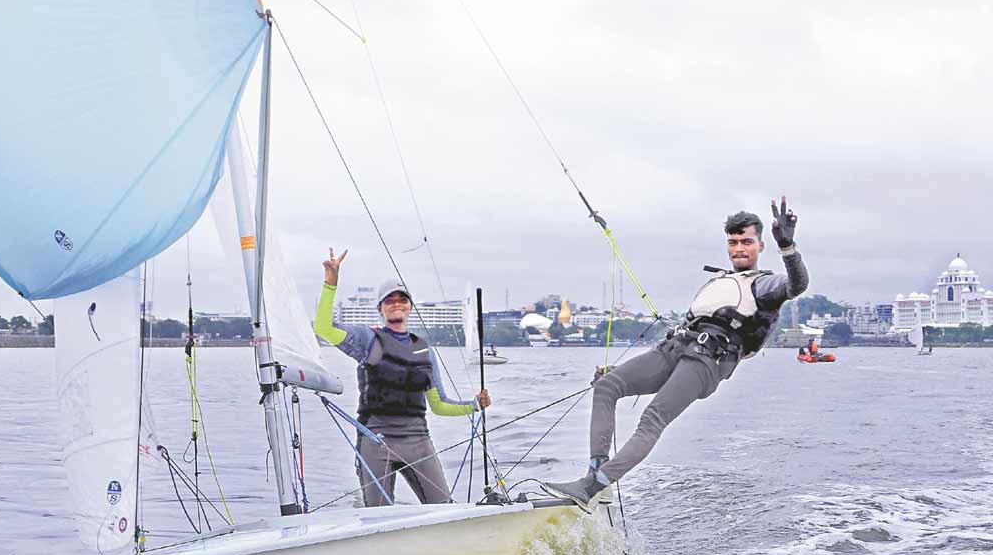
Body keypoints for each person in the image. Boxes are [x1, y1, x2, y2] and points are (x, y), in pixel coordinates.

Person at [545, 197, 810, 505]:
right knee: (607, 386)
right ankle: (596, 474)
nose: (739, 248)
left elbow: (797, 285)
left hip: (707, 361)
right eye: (733, 242)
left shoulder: (764, 285)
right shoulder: (717, 282)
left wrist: (787, 247)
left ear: (760, 246)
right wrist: (625, 370)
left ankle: (590, 488)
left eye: (747, 242)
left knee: (652, 418)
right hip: (674, 349)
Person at [315, 249, 490, 507]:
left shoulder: (424, 350)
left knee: (443, 508)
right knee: (378, 515)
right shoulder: (366, 339)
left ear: (410, 306)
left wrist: (474, 405)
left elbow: (440, 405)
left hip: (418, 441)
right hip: (376, 441)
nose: (396, 303)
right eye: (390, 300)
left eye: (402, 299)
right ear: (380, 308)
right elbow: (323, 328)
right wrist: (331, 281)